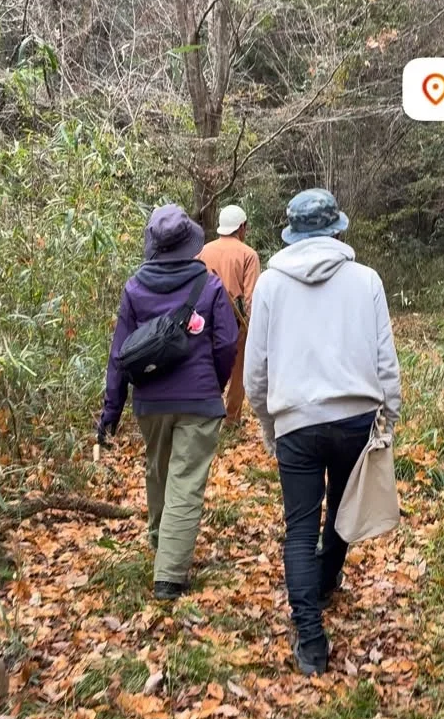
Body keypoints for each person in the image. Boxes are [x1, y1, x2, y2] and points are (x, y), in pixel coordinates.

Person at [244, 188, 401, 677]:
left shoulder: (270, 285)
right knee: (343, 508)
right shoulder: (366, 280)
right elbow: (385, 361)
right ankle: (328, 574)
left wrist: (271, 428)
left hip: (297, 422)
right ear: (337, 229)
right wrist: (387, 418)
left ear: (292, 235)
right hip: (356, 419)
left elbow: (256, 371)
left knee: (299, 527)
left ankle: (311, 640)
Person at [97, 203, 238, 601]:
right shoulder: (208, 286)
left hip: (150, 402)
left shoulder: (134, 288)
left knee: (159, 474)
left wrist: (111, 410)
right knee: (184, 483)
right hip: (198, 400)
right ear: (188, 244)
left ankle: (162, 544)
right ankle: (169, 577)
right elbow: (226, 342)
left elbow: (119, 354)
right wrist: (215, 381)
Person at [200, 205, 260, 428]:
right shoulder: (248, 255)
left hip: (205, 320)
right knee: (237, 373)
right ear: (241, 227)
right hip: (235, 321)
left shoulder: (204, 251)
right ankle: (232, 420)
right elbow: (250, 296)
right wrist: (253, 326)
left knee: (207, 366)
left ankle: (208, 415)